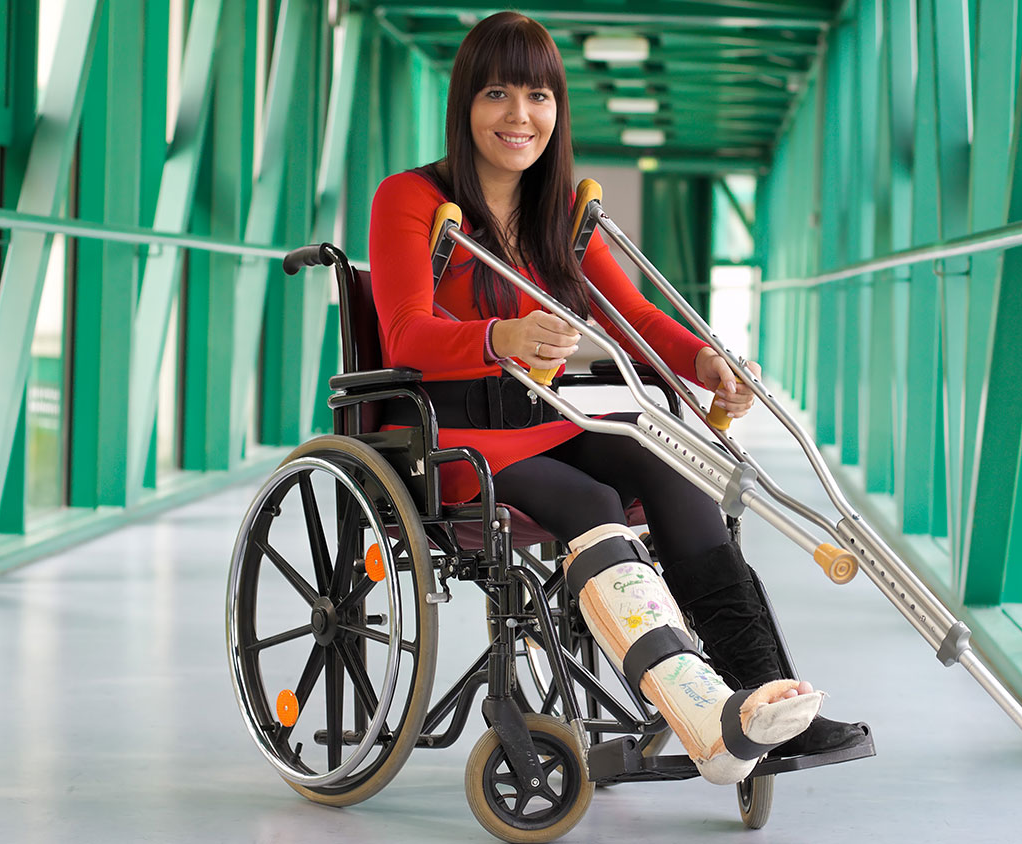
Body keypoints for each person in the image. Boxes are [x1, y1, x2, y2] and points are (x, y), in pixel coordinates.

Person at [368, 11, 864, 784]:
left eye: (537, 96)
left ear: (558, 110)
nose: (519, 117)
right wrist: (498, 338)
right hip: (453, 436)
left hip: (548, 418)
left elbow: (633, 316)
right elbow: (403, 333)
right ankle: (703, 714)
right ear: (465, 103)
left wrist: (705, 360)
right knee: (591, 499)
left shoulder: (558, 212)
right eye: (497, 94)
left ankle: (761, 691)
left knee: (672, 458)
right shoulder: (410, 197)